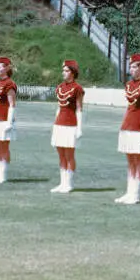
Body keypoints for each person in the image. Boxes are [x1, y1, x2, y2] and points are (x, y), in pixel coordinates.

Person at [115, 53, 140, 205]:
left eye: (133, 66)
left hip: (139, 126)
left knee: (138, 160)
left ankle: (136, 194)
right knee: (130, 160)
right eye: (130, 66)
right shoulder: (129, 85)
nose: (130, 69)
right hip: (127, 124)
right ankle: (129, 192)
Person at [50, 59, 84, 193]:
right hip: (60, 123)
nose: (63, 73)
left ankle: (69, 183)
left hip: (71, 125)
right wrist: (55, 123)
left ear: (73, 72)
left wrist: (79, 129)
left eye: (66, 70)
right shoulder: (60, 87)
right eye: (63, 70)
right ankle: (62, 183)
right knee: (61, 155)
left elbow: (79, 109)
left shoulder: (78, 89)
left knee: (69, 155)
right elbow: (59, 107)